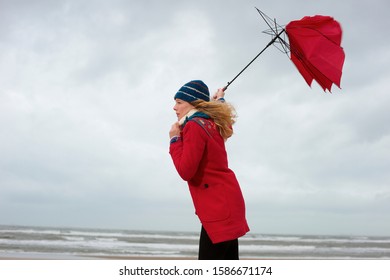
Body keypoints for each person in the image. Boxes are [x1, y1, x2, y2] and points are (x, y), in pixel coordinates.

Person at [169, 80, 249, 260]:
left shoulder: (194, 125)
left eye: (179, 102)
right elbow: (226, 121)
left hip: (218, 208)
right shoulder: (213, 122)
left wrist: (174, 140)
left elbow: (186, 171)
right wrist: (220, 100)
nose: (174, 107)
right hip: (228, 204)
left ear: (194, 104)